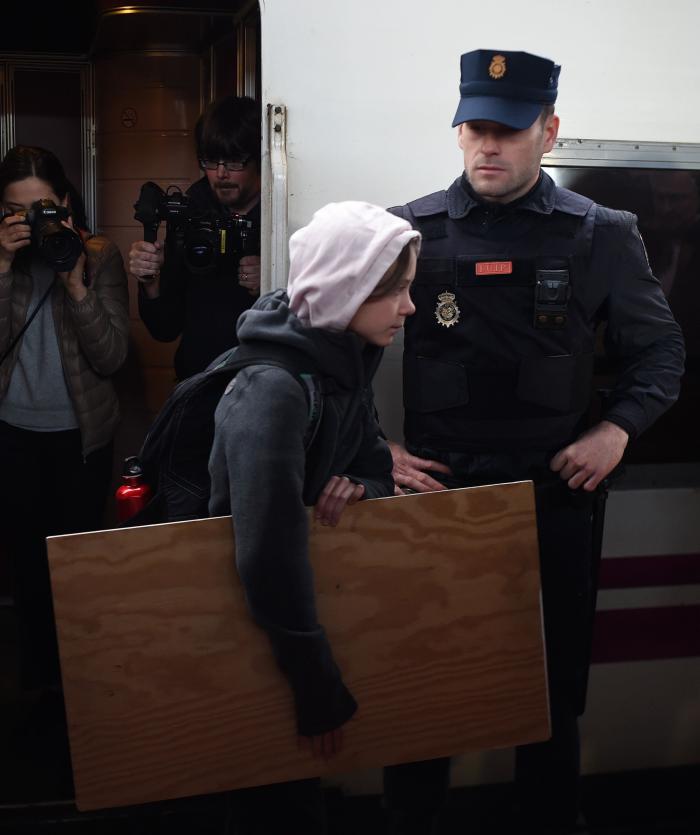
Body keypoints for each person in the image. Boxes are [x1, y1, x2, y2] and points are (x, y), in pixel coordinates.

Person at [384, 50, 685, 835]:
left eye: (510, 130)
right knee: (422, 697)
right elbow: (328, 350)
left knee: (549, 704)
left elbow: (662, 352)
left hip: (551, 504)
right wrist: (372, 450)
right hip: (436, 504)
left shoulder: (601, 235)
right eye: (476, 127)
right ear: (458, 130)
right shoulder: (407, 229)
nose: (489, 144)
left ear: (549, 132)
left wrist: (616, 430)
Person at [207, 201, 420, 834]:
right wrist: (317, 684)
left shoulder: (342, 360)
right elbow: (265, 556)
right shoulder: (274, 390)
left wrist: (361, 485)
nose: (410, 307)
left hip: (288, 625)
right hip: (247, 628)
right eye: (395, 292)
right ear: (345, 289)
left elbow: (376, 466)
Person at [0, 146, 129, 712]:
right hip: (12, 434)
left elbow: (112, 357)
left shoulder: (99, 256)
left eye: (42, 208)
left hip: (81, 438)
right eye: (16, 210)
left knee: (78, 565)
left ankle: (85, 685)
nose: (30, 222)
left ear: (66, 204)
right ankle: (38, 684)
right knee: (27, 565)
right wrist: (2, 269)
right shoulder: (1, 259)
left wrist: (75, 283)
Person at [128, 95, 262, 381]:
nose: (221, 173)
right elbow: (165, 328)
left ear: (259, 159)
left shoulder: (284, 214)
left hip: (263, 383)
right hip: (199, 383)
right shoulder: (191, 212)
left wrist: (275, 280)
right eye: (211, 161)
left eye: (234, 160)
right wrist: (151, 281)